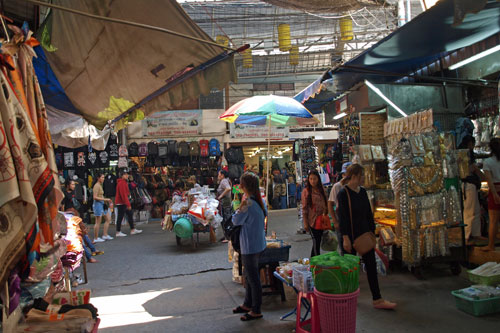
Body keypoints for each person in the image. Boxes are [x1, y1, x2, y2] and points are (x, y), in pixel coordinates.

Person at [337, 164, 396, 309]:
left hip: (364, 235)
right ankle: (347, 299)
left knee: (371, 266)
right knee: (350, 270)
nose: (364, 178)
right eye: (362, 175)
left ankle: (378, 299)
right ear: (356, 176)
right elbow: (342, 217)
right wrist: (345, 237)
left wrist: (372, 233)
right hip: (350, 237)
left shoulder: (362, 192)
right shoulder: (343, 194)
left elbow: (368, 214)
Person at [231, 172, 267, 321]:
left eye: (241, 184)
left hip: (250, 246)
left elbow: (235, 220)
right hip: (258, 244)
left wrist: (238, 208)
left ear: (244, 186)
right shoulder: (259, 201)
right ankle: (248, 304)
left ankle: (256, 310)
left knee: (253, 279)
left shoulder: (248, 203)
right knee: (250, 275)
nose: (239, 186)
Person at [458, 136, 485, 245]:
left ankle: (476, 234)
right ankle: (466, 236)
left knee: (476, 210)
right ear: (470, 144)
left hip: (470, 185)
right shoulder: (466, 154)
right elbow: (473, 169)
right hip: (468, 185)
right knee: (470, 210)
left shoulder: (463, 154)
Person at [301, 170, 328, 257]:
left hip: (321, 221)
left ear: (318, 179)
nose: (313, 181)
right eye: (311, 179)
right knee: (316, 242)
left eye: (314, 179)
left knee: (318, 241)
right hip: (312, 221)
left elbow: (326, 203)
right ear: (308, 180)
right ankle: (316, 261)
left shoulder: (322, 190)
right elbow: (304, 208)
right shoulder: (306, 191)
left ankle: (314, 262)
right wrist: (305, 223)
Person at [328, 162, 352, 254]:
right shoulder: (337, 186)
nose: (346, 176)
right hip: (341, 219)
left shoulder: (356, 186)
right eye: (345, 174)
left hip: (352, 220)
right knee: (344, 247)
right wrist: (335, 221)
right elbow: (330, 204)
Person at [480, 138, 500, 252]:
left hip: (495, 191)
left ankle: (491, 245)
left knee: (493, 221)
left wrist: (494, 194)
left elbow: (489, 181)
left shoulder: (488, 162)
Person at [115, 168, 142, 237]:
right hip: (121, 203)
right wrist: (128, 204)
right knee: (120, 217)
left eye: (127, 174)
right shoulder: (121, 183)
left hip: (123, 202)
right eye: (125, 174)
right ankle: (118, 231)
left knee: (129, 215)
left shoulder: (123, 182)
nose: (127, 175)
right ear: (122, 175)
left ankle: (132, 229)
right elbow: (123, 195)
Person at [92, 173, 114, 243]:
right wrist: (106, 199)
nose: (103, 179)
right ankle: (96, 237)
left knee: (108, 219)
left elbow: (100, 196)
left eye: (104, 177)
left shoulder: (100, 185)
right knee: (98, 221)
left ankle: (105, 234)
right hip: (98, 204)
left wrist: (106, 201)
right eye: (102, 177)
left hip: (102, 204)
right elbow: (95, 197)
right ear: (98, 178)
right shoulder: (96, 186)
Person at [217, 170, 232, 241]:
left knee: (226, 219)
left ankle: (228, 237)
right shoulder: (226, 180)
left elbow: (228, 188)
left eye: (219, 174)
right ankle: (226, 235)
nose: (218, 176)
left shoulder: (224, 181)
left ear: (222, 175)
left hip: (225, 202)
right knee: (226, 219)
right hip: (227, 202)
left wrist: (221, 196)